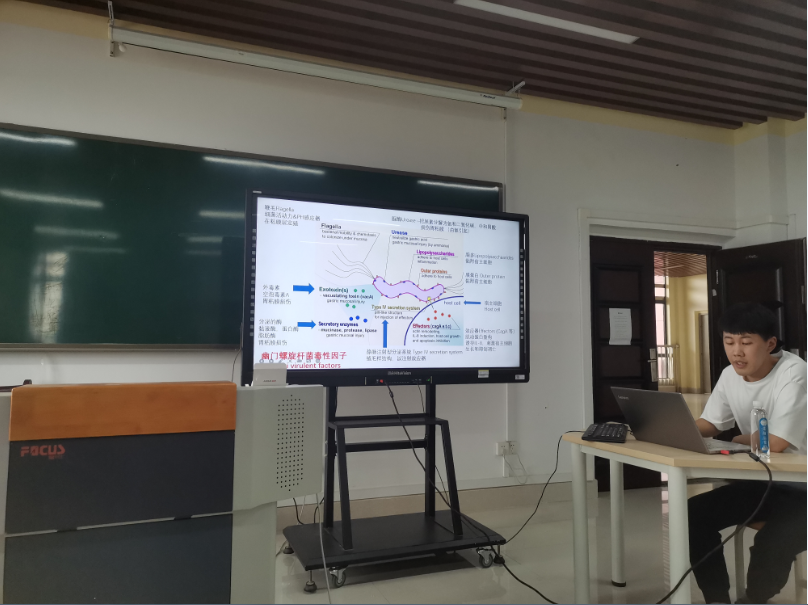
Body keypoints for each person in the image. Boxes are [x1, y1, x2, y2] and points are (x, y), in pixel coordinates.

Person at [689, 302, 806, 604]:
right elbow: (711, 423)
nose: (736, 352)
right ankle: (716, 600)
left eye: (746, 342)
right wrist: (670, 427)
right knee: (693, 515)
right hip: (766, 483)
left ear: (770, 344)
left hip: (803, 486)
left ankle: (754, 600)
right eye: (729, 342)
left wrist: (741, 437)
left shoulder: (794, 373)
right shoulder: (730, 374)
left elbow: (775, 443)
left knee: (773, 540)